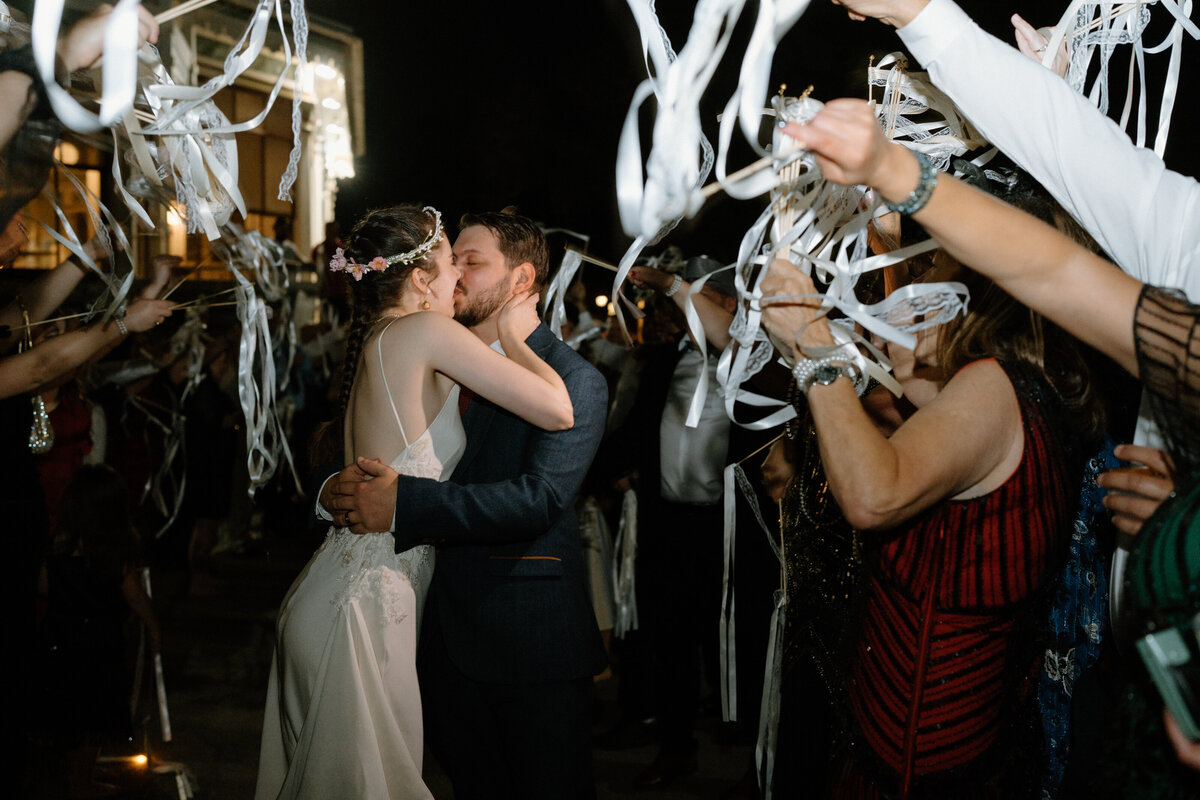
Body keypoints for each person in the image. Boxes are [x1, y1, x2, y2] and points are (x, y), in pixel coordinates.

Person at [770, 94, 1200, 796]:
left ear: (972, 279)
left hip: (930, 777)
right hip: (938, 756)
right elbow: (914, 382)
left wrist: (815, 353)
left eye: (932, 261)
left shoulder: (994, 389)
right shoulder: (1016, 388)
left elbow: (873, 496)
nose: (920, 274)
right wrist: (880, 246)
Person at [255, 205, 576, 800]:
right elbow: (558, 408)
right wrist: (512, 333)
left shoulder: (385, 338)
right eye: (452, 263)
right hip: (368, 604)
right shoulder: (427, 333)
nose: (459, 275)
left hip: (339, 589)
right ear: (423, 278)